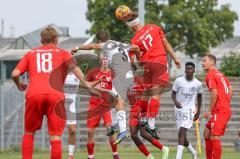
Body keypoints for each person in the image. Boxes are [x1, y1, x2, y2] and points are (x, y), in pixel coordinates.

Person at [11, 26, 94, 159]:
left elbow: (15, 73)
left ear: (41, 40)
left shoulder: (31, 54)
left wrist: (19, 83)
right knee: (55, 136)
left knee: (28, 133)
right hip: (55, 96)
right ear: (55, 39)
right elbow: (75, 68)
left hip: (34, 94)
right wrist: (87, 83)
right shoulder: (62, 53)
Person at [72, 30, 140, 144]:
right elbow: (137, 48)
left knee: (118, 102)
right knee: (112, 99)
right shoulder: (120, 44)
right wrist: (138, 62)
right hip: (128, 75)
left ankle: (122, 131)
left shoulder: (106, 44)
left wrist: (77, 47)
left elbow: (92, 46)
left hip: (121, 76)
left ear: (99, 40)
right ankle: (114, 125)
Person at [125, 12, 181, 139]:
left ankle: (144, 118)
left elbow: (133, 61)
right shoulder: (154, 27)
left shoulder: (134, 40)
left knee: (146, 95)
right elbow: (165, 43)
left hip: (147, 66)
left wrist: (136, 68)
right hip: (160, 62)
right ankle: (151, 124)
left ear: (130, 26)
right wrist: (175, 58)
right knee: (156, 95)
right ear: (138, 21)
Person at [85, 55, 120, 159]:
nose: (105, 61)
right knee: (90, 132)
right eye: (103, 59)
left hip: (106, 106)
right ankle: (90, 156)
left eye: (106, 59)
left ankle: (115, 155)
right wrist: (95, 90)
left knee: (110, 129)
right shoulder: (93, 72)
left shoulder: (112, 73)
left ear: (108, 60)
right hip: (94, 106)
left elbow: (116, 88)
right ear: (100, 61)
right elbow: (87, 85)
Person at [202, 54, 233, 159]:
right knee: (206, 133)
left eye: (204, 61)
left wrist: (210, 111)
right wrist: (225, 102)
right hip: (223, 108)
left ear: (212, 62)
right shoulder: (220, 74)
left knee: (215, 135)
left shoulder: (210, 75)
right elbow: (230, 88)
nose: (202, 63)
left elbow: (214, 93)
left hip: (220, 110)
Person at [128, 84, 169, 159]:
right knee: (133, 135)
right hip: (133, 111)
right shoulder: (127, 83)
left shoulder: (144, 80)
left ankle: (163, 149)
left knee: (143, 133)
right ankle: (150, 156)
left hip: (142, 110)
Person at [172, 62, 202, 159]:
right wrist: (175, 101)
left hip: (189, 110)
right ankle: (194, 152)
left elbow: (200, 96)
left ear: (194, 70)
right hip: (178, 110)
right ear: (185, 70)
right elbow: (173, 93)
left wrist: (198, 112)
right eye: (187, 68)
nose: (189, 70)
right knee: (182, 136)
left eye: (190, 69)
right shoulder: (178, 81)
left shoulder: (198, 83)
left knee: (181, 132)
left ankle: (178, 157)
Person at [64, 72, 79, 159]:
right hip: (59, 105)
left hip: (71, 107)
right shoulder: (61, 74)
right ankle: (53, 152)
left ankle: (70, 155)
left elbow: (86, 83)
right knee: (56, 131)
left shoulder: (77, 74)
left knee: (72, 130)